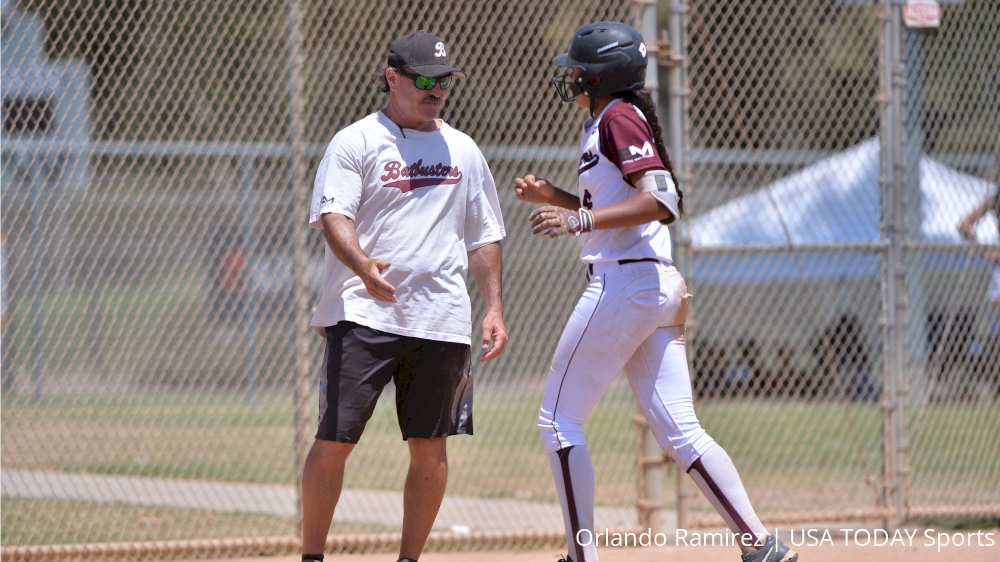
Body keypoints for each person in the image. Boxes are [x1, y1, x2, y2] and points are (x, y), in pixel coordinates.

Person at [514, 22, 796, 562]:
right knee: (680, 430)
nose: (570, 77)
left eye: (578, 70)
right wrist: (559, 198)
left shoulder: (617, 116)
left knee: (558, 421)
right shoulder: (611, 119)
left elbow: (662, 201)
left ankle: (581, 558)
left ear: (599, 77)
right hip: (651, 284)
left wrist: (578, 220)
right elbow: (623, 204)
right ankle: (760, 545)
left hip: (625, 283)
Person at [302, 31, 507, 562]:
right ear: (392, 78)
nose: (436, 90)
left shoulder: (463, 149)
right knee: (335, 440)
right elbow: (334, 214)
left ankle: (409, 560)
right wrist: (362, 266)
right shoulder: (356, 141)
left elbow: (483, 235)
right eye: (424, 80)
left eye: (444, 81)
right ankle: (312, 557)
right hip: (364, 311)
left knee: (430, 448)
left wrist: (494, 307)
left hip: (441, 317)